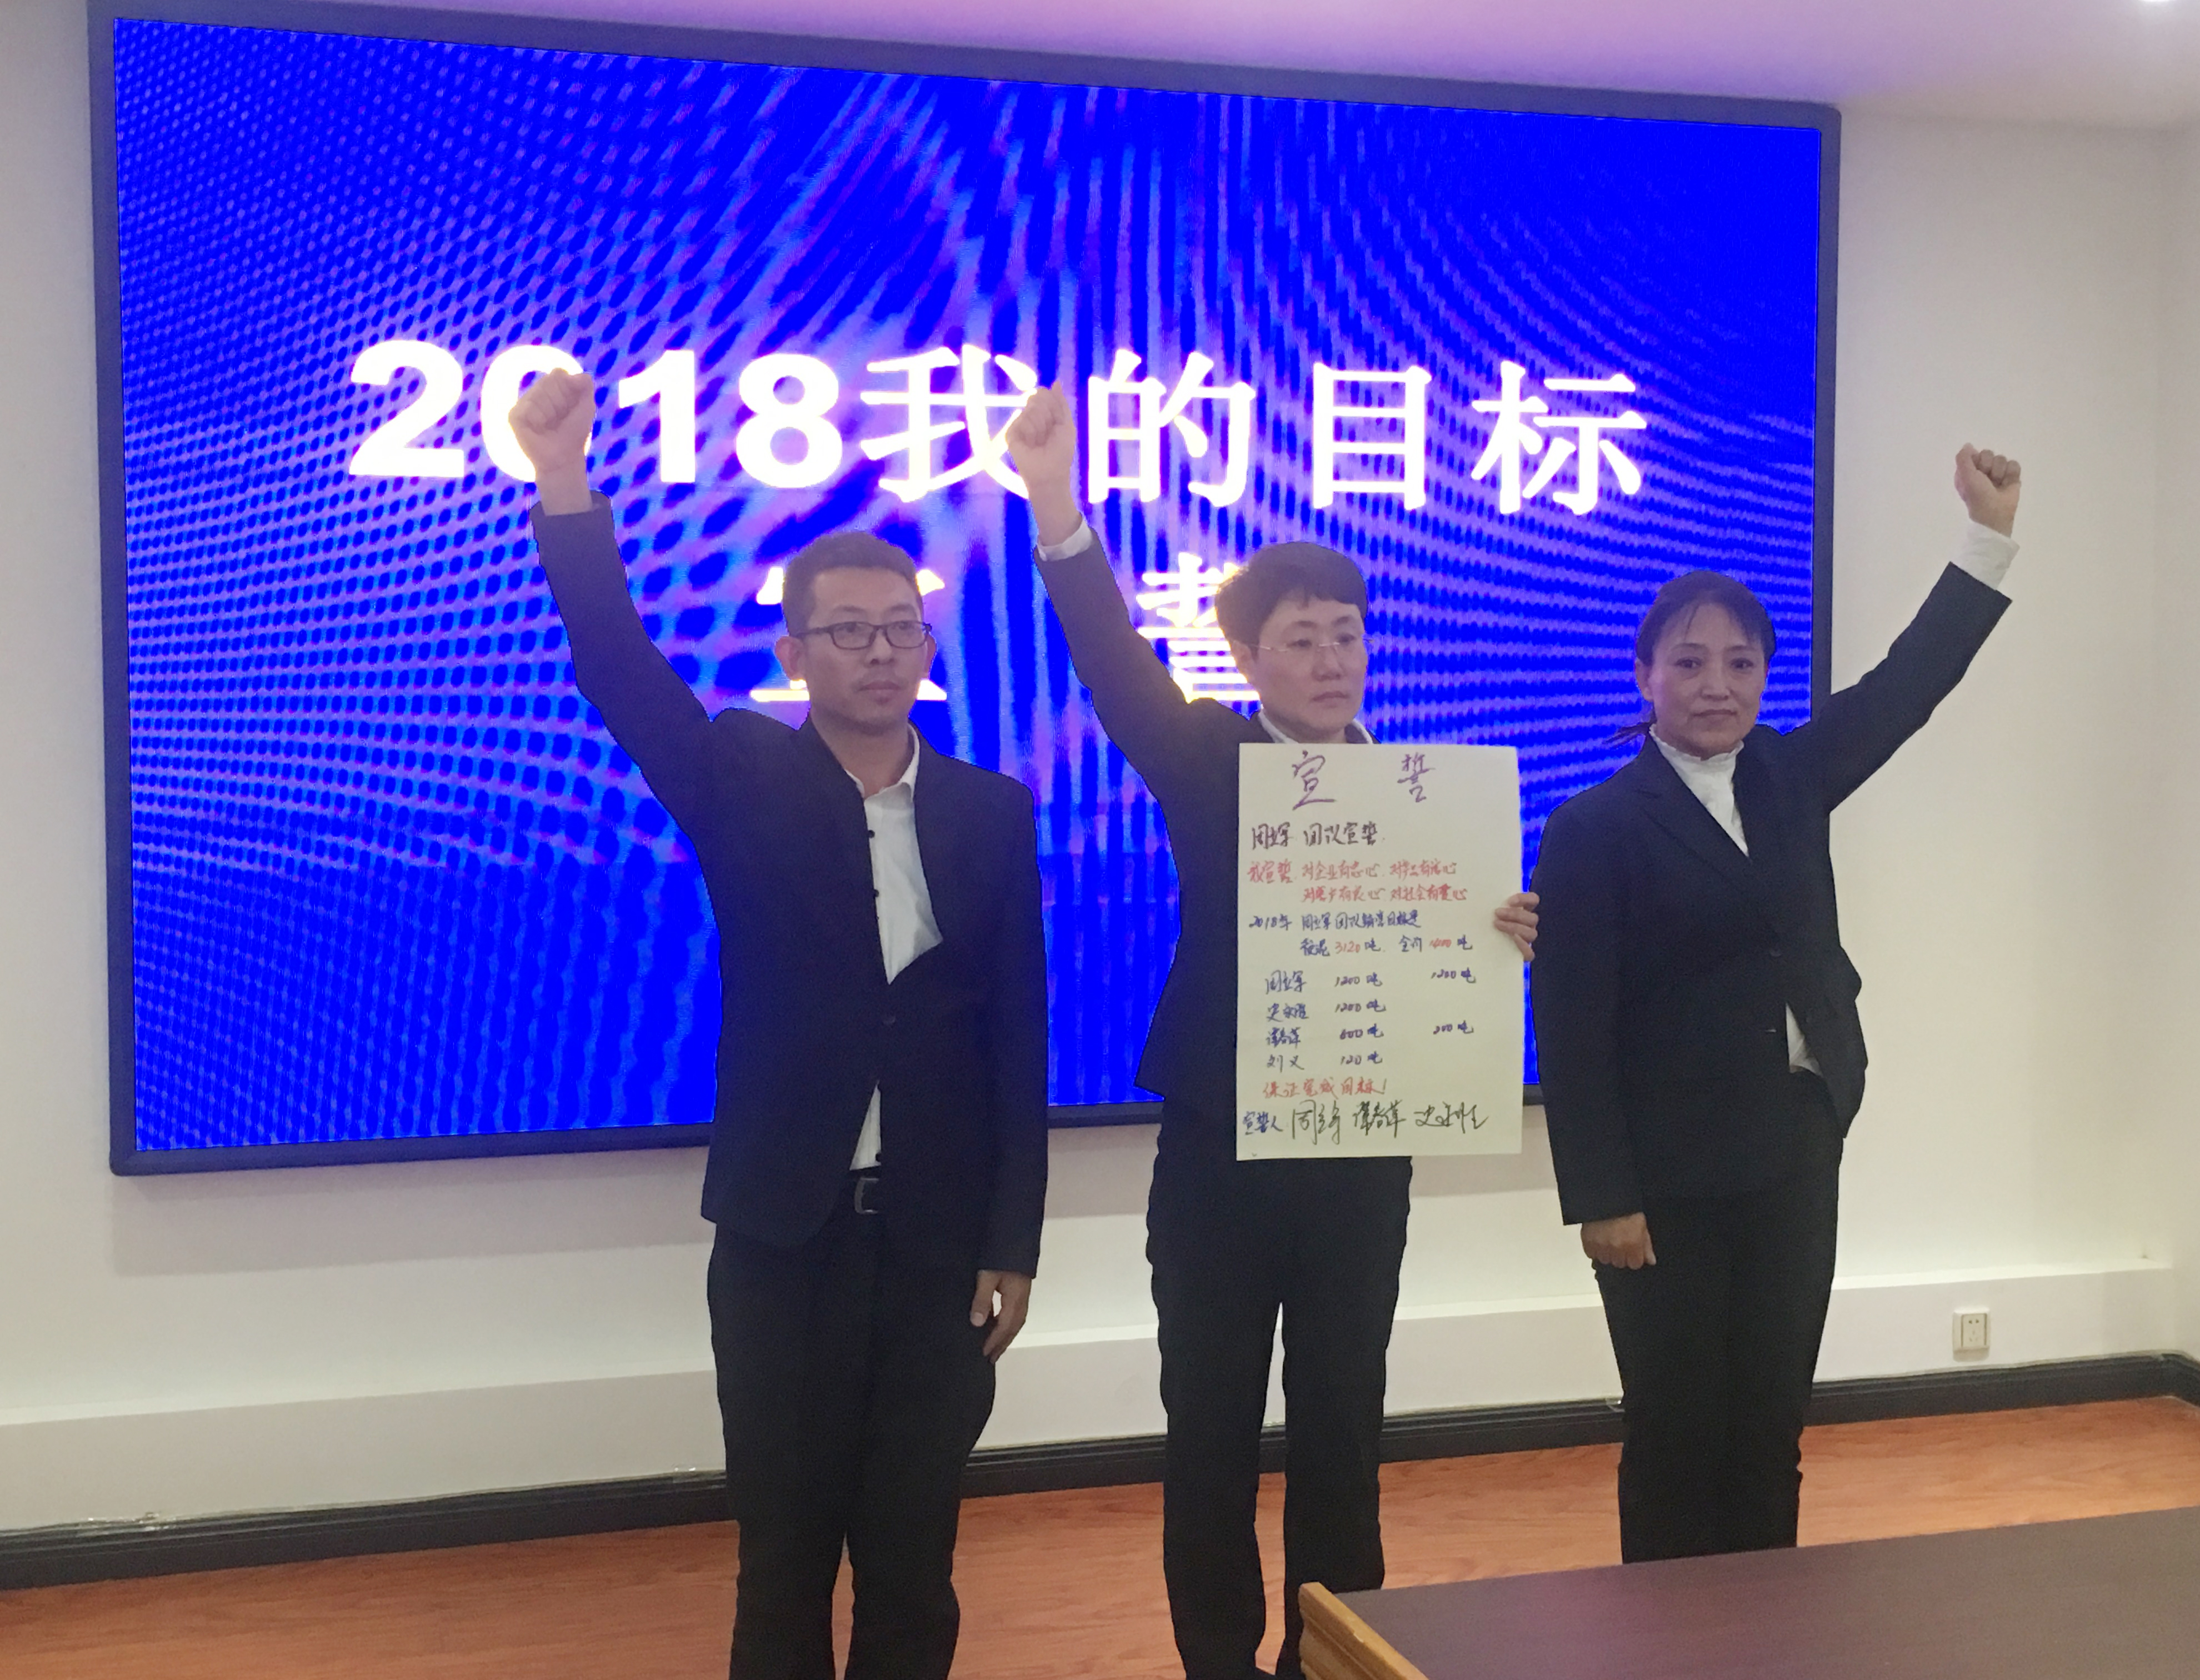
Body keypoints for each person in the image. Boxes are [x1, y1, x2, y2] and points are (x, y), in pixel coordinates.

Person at [509, 369, 1049, 1680]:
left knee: (914, 1561)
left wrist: (1013, 1243)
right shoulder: (743, 774)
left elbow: (1018, 1039)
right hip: (782, 1238)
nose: (881, 651)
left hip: (937, 1250)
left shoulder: (990, 811)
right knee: (784, 1561)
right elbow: (619, 669)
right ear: (796, 653)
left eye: (901, 629)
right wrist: (564, 482)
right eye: (847, 631)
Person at [1004, 386, 1538, 1678]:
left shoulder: (1427, 801)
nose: (1332, 658)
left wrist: (1503, 926)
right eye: (1302, 639)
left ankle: (1334, 1654)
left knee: (1346, 1427)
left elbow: (1446, 955)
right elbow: (1114, 666)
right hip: (1220, 1159)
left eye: (1347, 634)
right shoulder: (1208, 760)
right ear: (1247, 659)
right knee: (1212, 1433)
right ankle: (1218, 1661)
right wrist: (1058, 506)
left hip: (1361, 1160)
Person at [1530, 445, 2023, 1564]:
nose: (1718, 684)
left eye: (1741, 663)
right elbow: (1572, 1026)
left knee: (1768, 1427)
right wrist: (1603, 1198)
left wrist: (1986, 537)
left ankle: (1763, 1631)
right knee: (1675, 1430)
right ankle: (1669, 1633)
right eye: (1690, 662)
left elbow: (1909, 684)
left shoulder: (1791, 779)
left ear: (1764, 675)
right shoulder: (1594, 826)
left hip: (1795, 1146)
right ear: (1645, 674)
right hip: (1666, 1179)